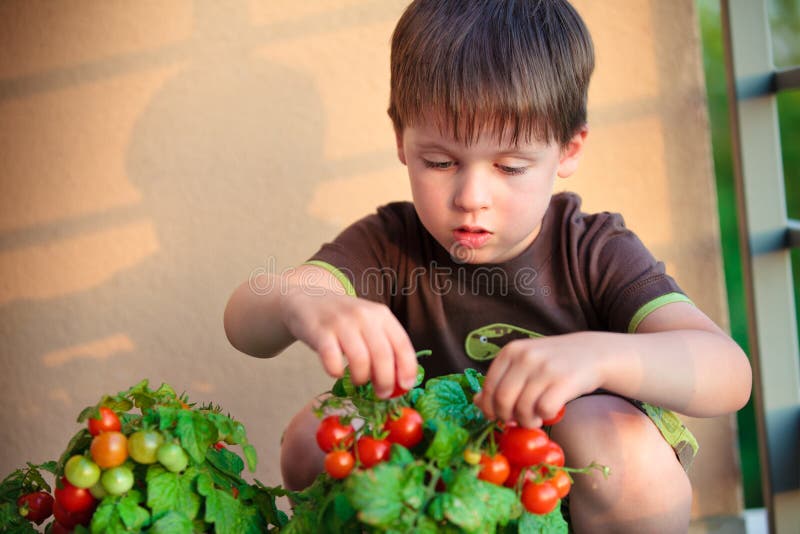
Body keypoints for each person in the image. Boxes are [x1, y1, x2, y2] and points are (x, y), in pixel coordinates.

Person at [224, 0, 752, 531]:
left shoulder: (592, 250)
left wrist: (599, 357)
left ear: (569, 149)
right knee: (318, 433)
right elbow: (246, 324)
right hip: (436, 499)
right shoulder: (389, 245)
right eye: (440, 162)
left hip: (577, 496)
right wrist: (304, 302)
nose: (471, 196)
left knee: (615, 439)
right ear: (401, 140)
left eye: (510, 166)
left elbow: (728, 374)